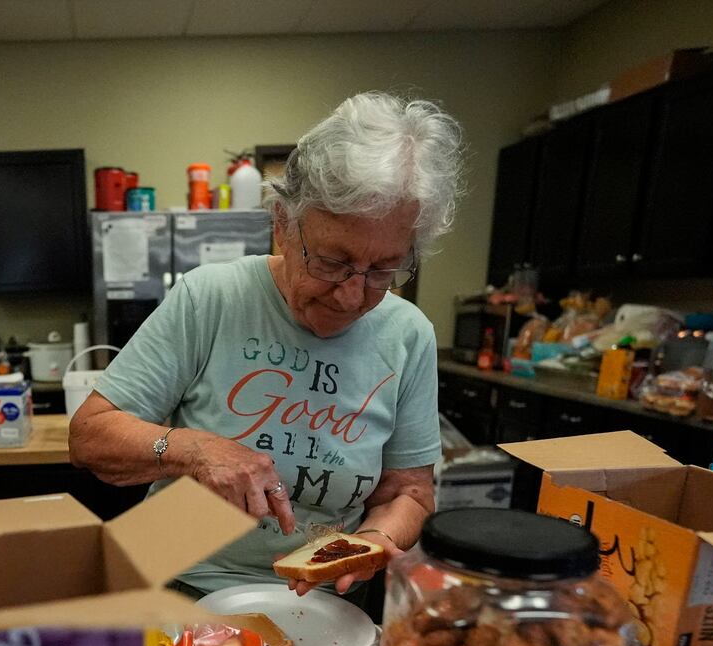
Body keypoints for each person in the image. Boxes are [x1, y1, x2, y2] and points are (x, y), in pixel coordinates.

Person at [69, 93, 462, 598]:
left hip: (322, 601)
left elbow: (408, 490)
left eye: (383, 269)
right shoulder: (210, 296)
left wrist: (371, 543)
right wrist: (196, 451)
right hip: (183, 585)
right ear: (282, 223)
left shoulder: (409, 334)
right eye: (332, 261)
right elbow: (90, 437)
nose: (350, 294)